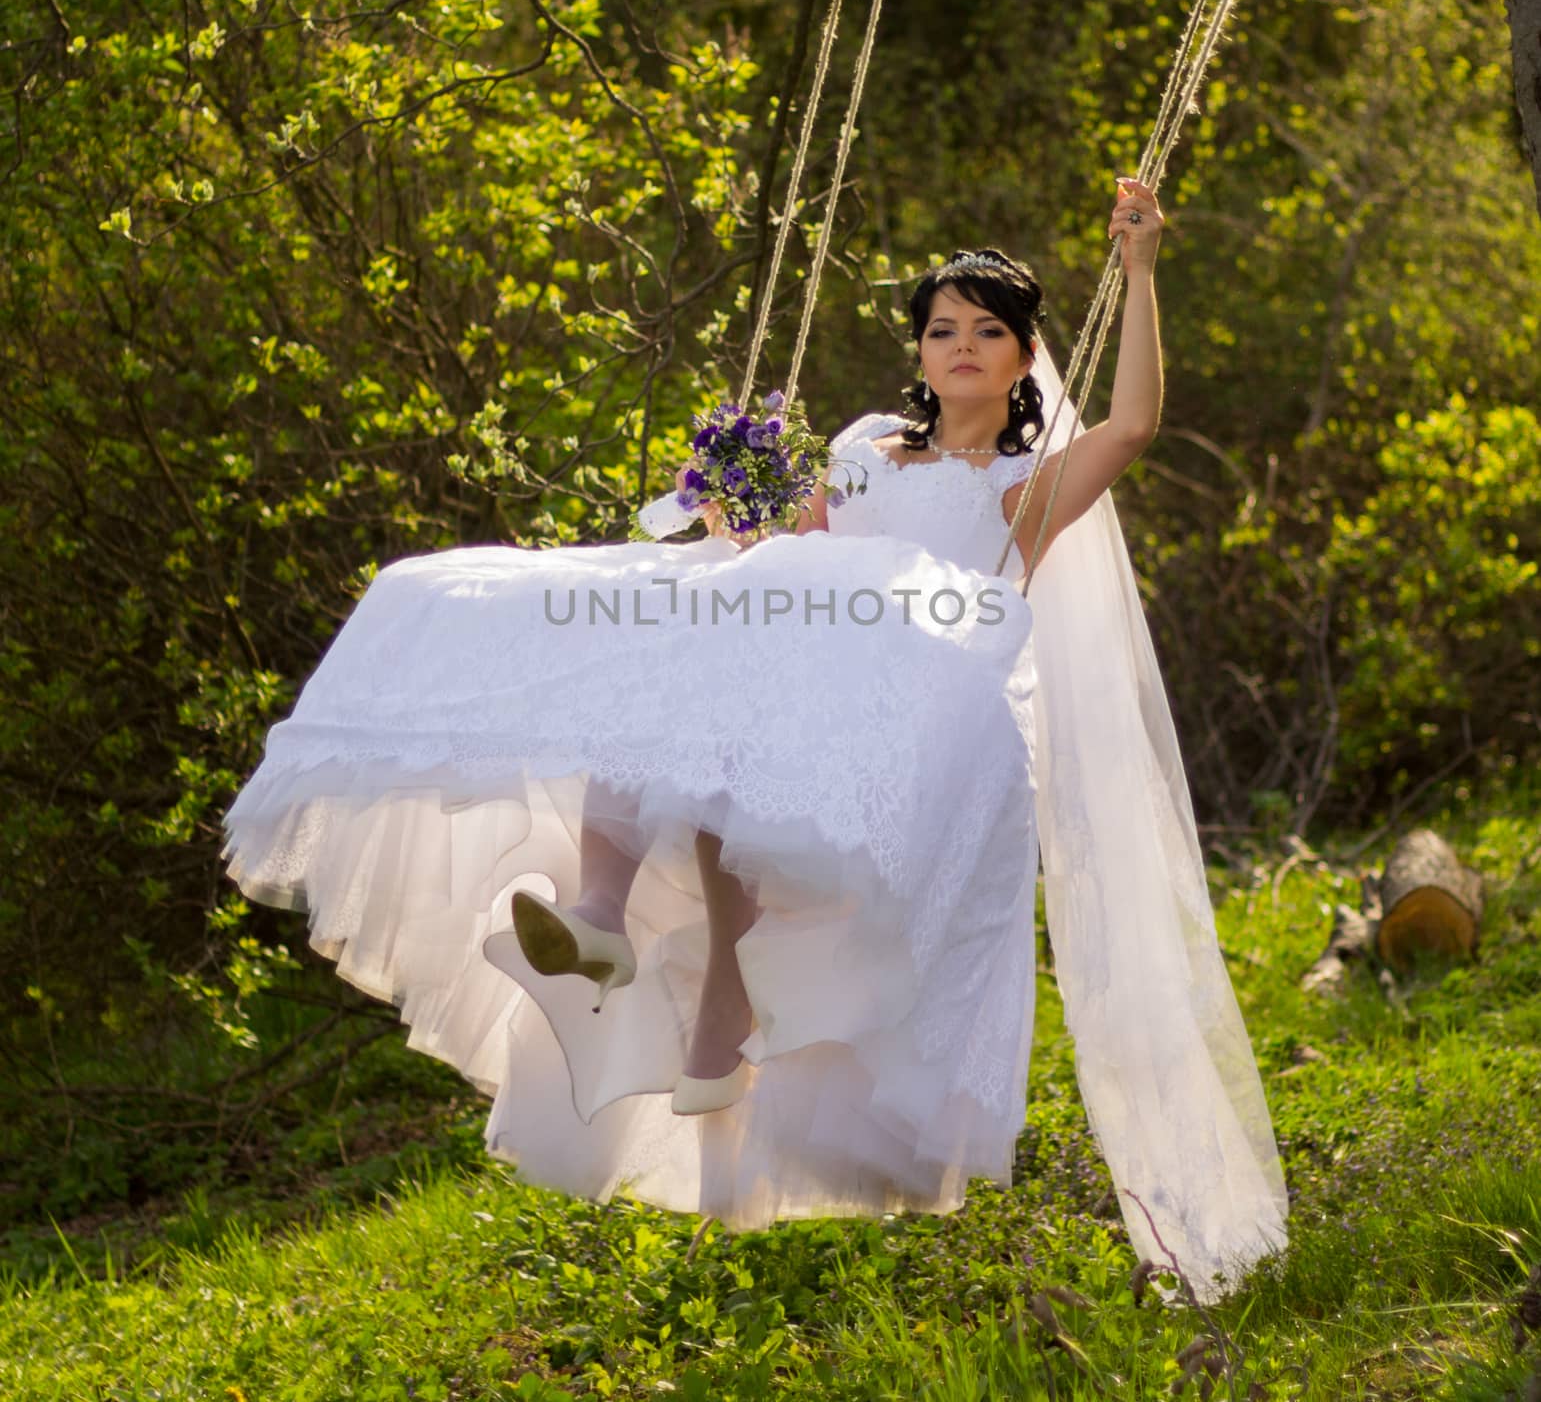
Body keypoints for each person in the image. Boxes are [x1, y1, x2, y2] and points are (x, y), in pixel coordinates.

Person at [222, 177, 1289, 1301]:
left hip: (915, 689)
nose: (960, 346)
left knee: (730, 734)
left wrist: (1139, 273)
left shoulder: (1022, 487)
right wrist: (740, 518)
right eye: (940, 329)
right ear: (917, 353)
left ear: (1025, 357)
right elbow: (797, 543)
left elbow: (1132, 424)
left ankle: (723, 1006)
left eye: (986, 331)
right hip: (806, 648)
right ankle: (599, 919)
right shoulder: (867, 446)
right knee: (673, 679)